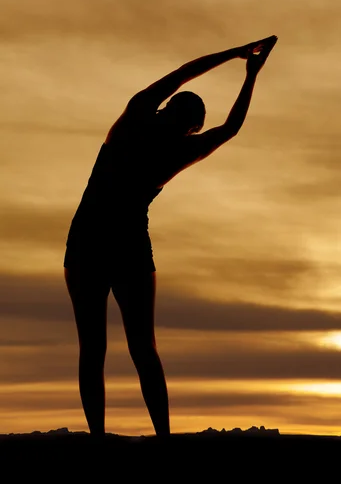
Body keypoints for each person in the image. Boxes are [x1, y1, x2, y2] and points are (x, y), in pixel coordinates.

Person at [64, 35, 278, 439]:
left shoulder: (136, 120)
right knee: (136, 349)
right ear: (188, 128)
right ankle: (156, 438)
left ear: (174, 116)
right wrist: (249, 73)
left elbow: (184, 77)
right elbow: (228, 126)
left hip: (96, 244)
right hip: (112, 248)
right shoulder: (170, 146)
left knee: (103, 350)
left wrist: (236, 57)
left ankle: (119, 439)